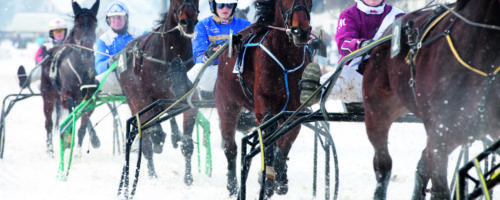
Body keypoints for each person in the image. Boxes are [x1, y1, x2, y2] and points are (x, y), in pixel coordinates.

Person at [324, 0, 404, 103]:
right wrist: (362, 45)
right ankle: (316, 89)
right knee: (343, 75)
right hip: (357, 76)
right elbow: (343, 44)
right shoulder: (348, 15)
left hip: (388, 78)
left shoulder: (398, 15)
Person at [188, 0, 251, 98]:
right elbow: (198, 56)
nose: (225, 8)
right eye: (221, 5)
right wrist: (208, 55)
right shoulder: (203, 26)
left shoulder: (246, 25)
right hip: (214, 73)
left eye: (229, 5)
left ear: (234, 6)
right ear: (213, 5)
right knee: (197, 69)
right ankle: (183, 86)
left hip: (239, 74)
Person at [95, 0, 145, 95]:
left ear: (126, 18)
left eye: (119, 17)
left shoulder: (140, 34)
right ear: (108, 20)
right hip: (117, 79)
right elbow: (99, 67)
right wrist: (109, 63)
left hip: (139, 76)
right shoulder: (103, 40)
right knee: (96, 82)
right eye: (112, 18)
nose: (116, 21)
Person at [17, 18, 68, 89]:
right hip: (49, 71)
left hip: (65, 70)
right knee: (41, 68)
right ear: (52, 33)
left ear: (65, 32)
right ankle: (26, 80)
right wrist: (45, 57)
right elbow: (38, 58)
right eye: (56, 31)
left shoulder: (70, 46)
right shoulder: (45, 46)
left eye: (61, 31)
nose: (59, 34)